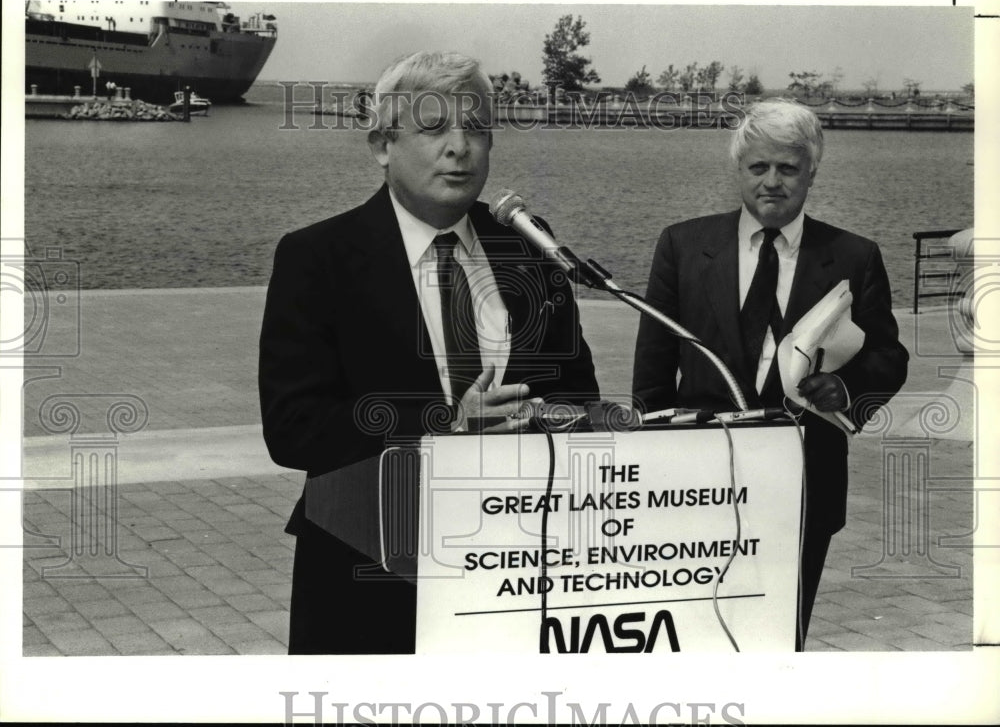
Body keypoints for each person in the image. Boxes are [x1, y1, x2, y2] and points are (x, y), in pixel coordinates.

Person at [259, 51, 599, 654]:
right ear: (382, 145)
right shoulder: (318, 258)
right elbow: (294, 429)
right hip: (369, 561)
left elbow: (578, 393)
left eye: (476, 130)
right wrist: (446, 424)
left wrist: (546, 421)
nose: (460, 148)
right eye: (435, 128)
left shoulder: (527, 248)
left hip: (514, 564)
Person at [632, 98, 908, 649]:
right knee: (689, 630)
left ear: (812, 173)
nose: (773, 183)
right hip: (698, 478)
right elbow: (653, 367)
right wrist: (651, 467)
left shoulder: (855, 255)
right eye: (759, 167)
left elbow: (889, 355)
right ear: (738, 169)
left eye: (788, 169)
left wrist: (847, 390)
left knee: (781, 634)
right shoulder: (683, 245)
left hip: (805, 478)